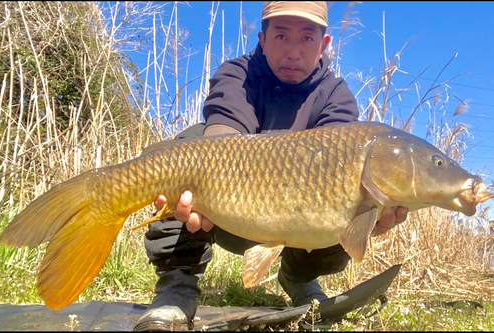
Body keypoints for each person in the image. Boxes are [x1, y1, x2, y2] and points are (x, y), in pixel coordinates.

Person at [134, 2, 408, 331]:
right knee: (188, 151)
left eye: (307, 39)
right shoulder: (238, 74)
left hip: (303, 222)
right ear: (262, 40)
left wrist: (369, 215)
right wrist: (203, 188)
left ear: (324, 46)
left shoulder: (336, 95)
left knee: (351, 192)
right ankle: (176, 288)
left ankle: (299, 278)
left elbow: (342, 171)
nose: (293, 52)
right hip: (228, 213)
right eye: (281, 36)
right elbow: (221, 145)